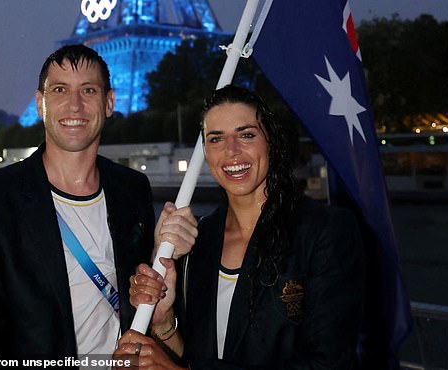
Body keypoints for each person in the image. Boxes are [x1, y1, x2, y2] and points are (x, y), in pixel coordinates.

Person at [0, 44, 197, 359]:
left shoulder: (133, 190)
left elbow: (144, 304)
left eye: (88, 90)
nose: (74, 105)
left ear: (109, 102)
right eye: (60, 90)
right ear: (40, 103)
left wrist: (160, 257)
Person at [114, 85, 365, 369]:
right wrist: (162, 319)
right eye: (216, 138)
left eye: (246, 134)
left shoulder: (324, 232)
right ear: (206, 153)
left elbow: (329, 363)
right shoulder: (199, 241)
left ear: (271, 141)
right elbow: (195, 356)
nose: (231, 151)